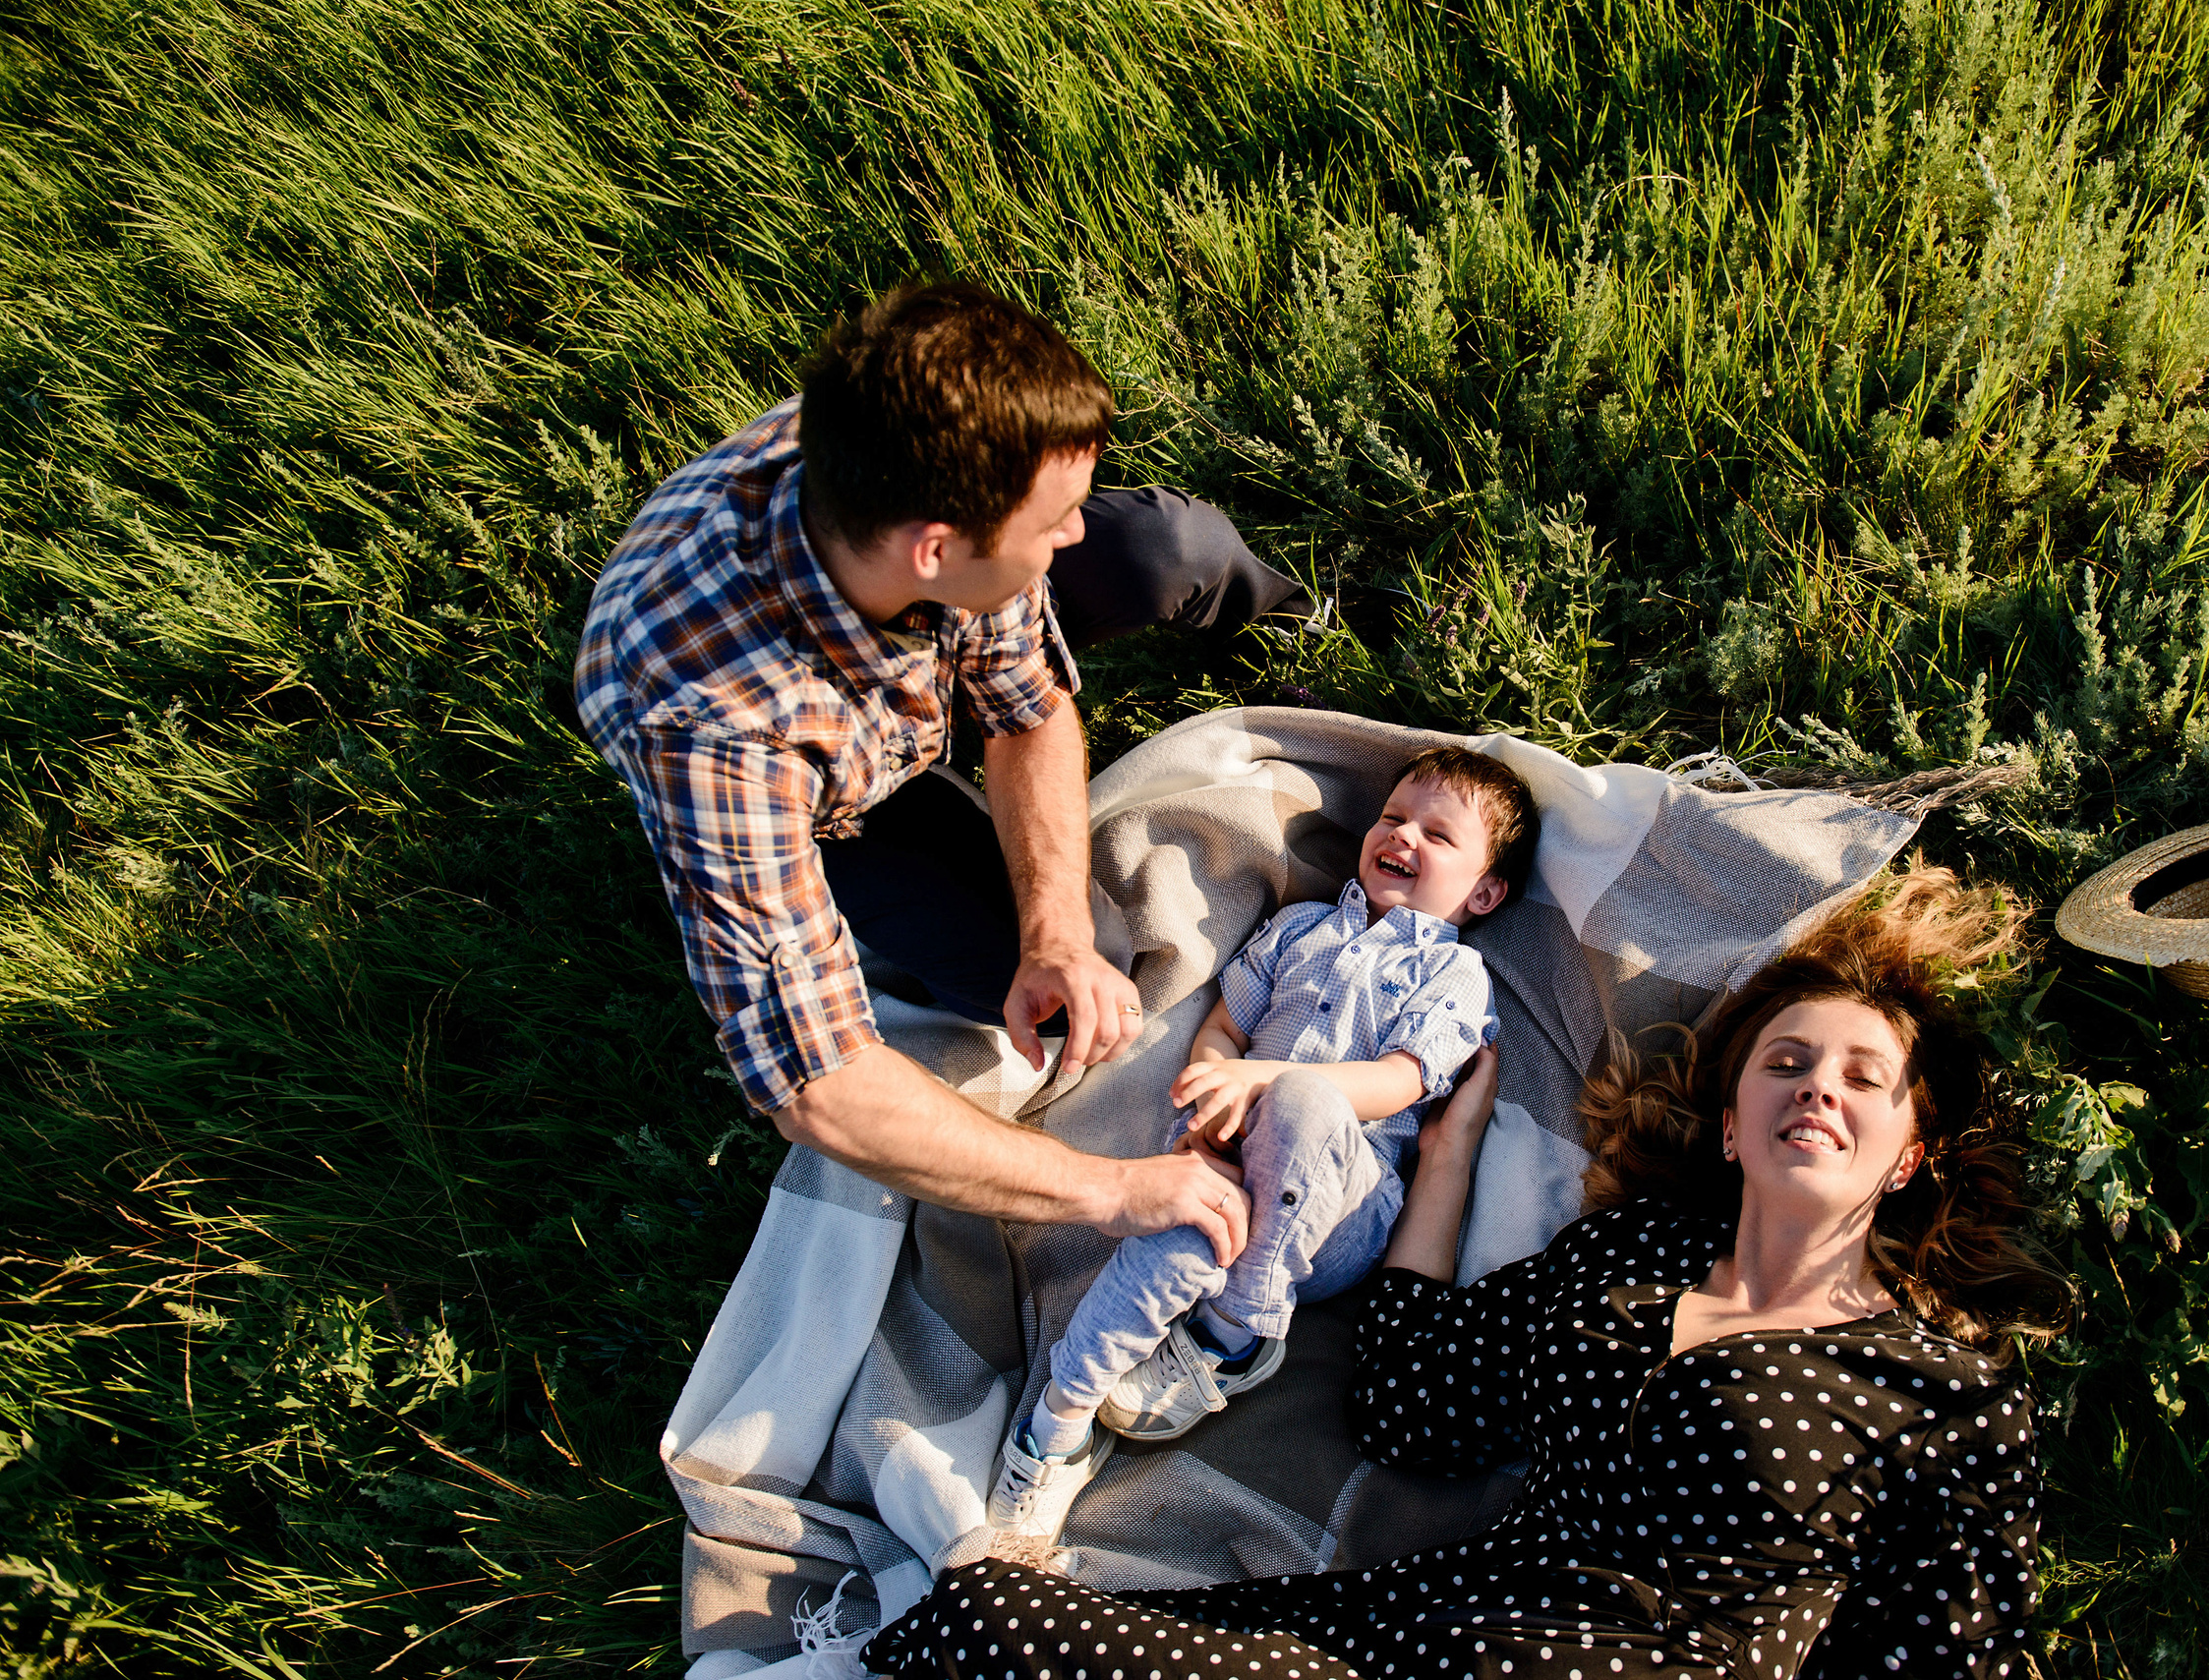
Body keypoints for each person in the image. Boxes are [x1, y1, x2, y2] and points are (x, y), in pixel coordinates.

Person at [863, 865, 2077, 1679]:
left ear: (1911, 1154)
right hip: (1422, 1641)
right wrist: (1442, 1164)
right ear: (1727, 1122)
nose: (1817, 1083)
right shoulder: (1632, 1257)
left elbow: (1938, 1656)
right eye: (1785, 1061)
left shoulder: (1949, 1396)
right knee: (987, 1621)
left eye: (1863, 1076)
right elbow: (1412, 1403)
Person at [575, 281, 1310, 1265]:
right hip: (833, 793)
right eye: (1053, 519)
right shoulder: (709, 736)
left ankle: (1307, 619)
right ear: (935, 549)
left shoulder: (914, 486)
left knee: (1173, 551)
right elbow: (820, 1087)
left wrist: (1054, 925)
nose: (1073, 534)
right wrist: (1116, 1188)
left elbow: (1029, 705)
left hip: (896, 660)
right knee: (1025, 978)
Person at [988, 747, 1540, 1543]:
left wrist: (1266, 1079)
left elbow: (1399, 1080)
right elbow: (1223, 1026)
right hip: (1239, 1168)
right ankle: (1055, 1425)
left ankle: (1235, 1335)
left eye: (1437, 834)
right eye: (1391, 817)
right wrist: (1214, 1084)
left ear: (1485, 891)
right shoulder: (1299, 927)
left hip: (1340, 1209)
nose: (1403, 835)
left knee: (1307, 1096)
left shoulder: (1454, 974)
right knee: (1177, 1235)